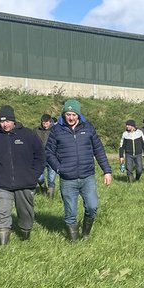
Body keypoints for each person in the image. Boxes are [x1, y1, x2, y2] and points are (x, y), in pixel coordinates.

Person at [44, 99, 112, 242]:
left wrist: (107, 171)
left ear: (78, 115)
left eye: (73, 114)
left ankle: (85, 235)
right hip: (67, 179)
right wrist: (58, 168)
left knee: (92, 207)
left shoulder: (88, 128)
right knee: (70, 213)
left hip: (87, 177)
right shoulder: (57, 130)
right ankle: (74, 243)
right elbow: (49, 152)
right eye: (68, 114)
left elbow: (98, 150)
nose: (70, 117)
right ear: (64, 114)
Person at [0, 105, 44, 247]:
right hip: (1, 184)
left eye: (7, 121)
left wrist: (33, 176)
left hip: (25, 182)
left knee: (26, 213)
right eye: (2, 121)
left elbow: (40, 156)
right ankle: (3, 246)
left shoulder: (28, 135)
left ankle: (25, 235)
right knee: (2, 213)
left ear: (13, 120)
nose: (5, 124)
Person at [35, 113, 56, 197]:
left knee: (51, 179)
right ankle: (43, 189)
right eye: (43, 123)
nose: (45, 125)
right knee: (39, 178)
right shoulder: (36, 130)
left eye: (46, 123)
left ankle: (50, 197)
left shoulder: (56, 130)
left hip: (52, 158)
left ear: (50, 122)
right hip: (40, 158)